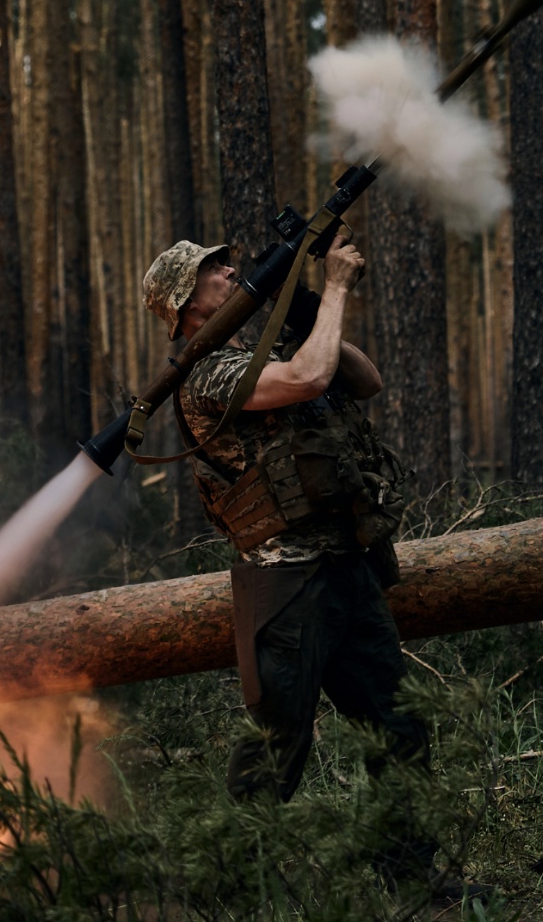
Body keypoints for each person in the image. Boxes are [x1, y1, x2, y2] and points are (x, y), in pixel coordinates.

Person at [142, 235, 456, 889]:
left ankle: (412, 882)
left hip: (347, 569)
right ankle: (223, 888)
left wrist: (307, 304)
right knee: (279, 743)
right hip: (288, 584)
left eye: (226, 263)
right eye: (212, 269)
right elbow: (309, 377)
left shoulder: (265, 358)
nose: (230, 270)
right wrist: (337, 287)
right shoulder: (207, 372)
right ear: (185, 303)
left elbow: (361, 380)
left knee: (398, 725)